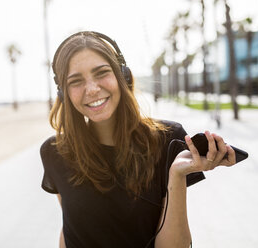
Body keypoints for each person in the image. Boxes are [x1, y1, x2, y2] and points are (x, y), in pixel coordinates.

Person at [40, 31, 236, 248]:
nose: (92, 89)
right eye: (75, 81)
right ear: (63, 93)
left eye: (102, 73)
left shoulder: (168, 140)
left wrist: (176, 175)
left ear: (122, 75)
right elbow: (70, 230)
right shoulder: (54, 152)